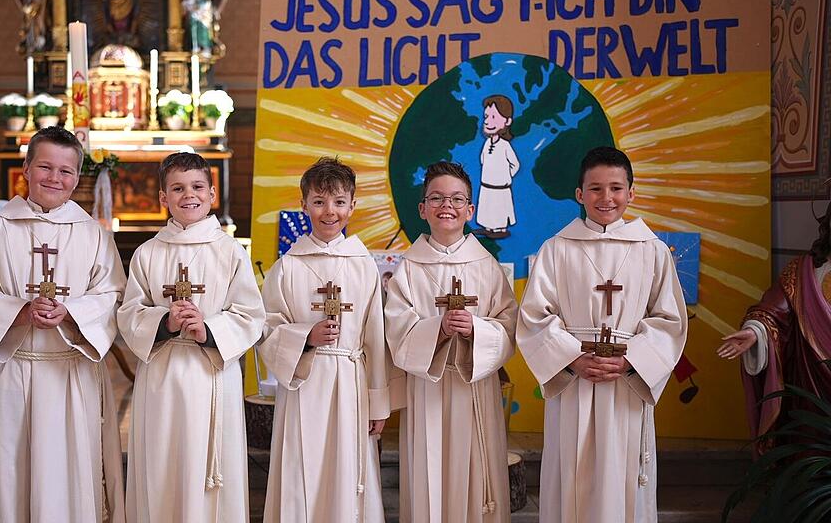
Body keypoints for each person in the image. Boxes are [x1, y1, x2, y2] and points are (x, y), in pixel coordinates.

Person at [0, 126, 126, 522]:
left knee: (66, 471)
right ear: (27, 169)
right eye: (45, 167)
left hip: (71, 372)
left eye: (66, 171)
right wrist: (20, 311)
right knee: (10, 469)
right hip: (12, 373)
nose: (55, 178)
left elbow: (113, 296)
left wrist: (71, 313)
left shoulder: (93, 235)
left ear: (77, 177)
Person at [516, 146, 687, 523]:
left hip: (625, 383)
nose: (606, 198)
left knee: (622, 481)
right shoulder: (556, 249)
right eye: (595, 189)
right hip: (576, 382)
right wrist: (573, 358)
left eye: (616, 188)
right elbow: (534, 316)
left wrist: (631, 361)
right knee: (572, 476)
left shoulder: (653, 251)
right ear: (580, 194)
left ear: (631, 192)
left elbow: (669, 320)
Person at [117, 152, 264, 522]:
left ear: (212, 194)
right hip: (161, 377)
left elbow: (250, 314)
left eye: (198, 186)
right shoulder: (148, 253)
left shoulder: (230, 251)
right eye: (178, 188)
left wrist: (208, 329)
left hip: (211, 374)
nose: (189, 195)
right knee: (162, 465)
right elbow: (129, 313)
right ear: (163, 197)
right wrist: (165, 322)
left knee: (208, 473)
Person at [258, 156, 391, 522]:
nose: (329, 211)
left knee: (347, 471)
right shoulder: (287, 267)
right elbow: (267, 330)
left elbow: (375, 338)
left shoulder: (363, 264)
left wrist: (378, 404)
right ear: (304, 205)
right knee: (303, 467)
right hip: (304, 384)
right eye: (319, 201)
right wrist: (306, 336)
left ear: (352, 205)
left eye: (338, 202)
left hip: (350, 381)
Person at [385, 161, 517, 522]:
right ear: (422, 208)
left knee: (476, 481)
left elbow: (509, 327)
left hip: (475, 389)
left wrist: (477, 330)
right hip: (426, 390)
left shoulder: (487, 266)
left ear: (470, 210)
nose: (447, 206)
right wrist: (438, 330)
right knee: (429, 479)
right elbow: (395, 331)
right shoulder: (408, 269)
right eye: (437, 198)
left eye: (457, 199)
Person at [717, 200, 831, 450]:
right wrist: (755, 332)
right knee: (809, 446)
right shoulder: (803, 272)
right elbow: (772, 311)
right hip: (810, 385)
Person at [475, 95, 520, 239]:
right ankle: (488, 228)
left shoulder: (505, 145)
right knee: (487, 208)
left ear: (507, 121)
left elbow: (515, 164)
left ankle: (500, 229)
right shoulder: (487, 143)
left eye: (494, 117)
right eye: (486, 116)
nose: (488, 121)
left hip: (500, 187)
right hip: (486, 185)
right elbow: (483, 159)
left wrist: (505, 175)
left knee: (499, 208)